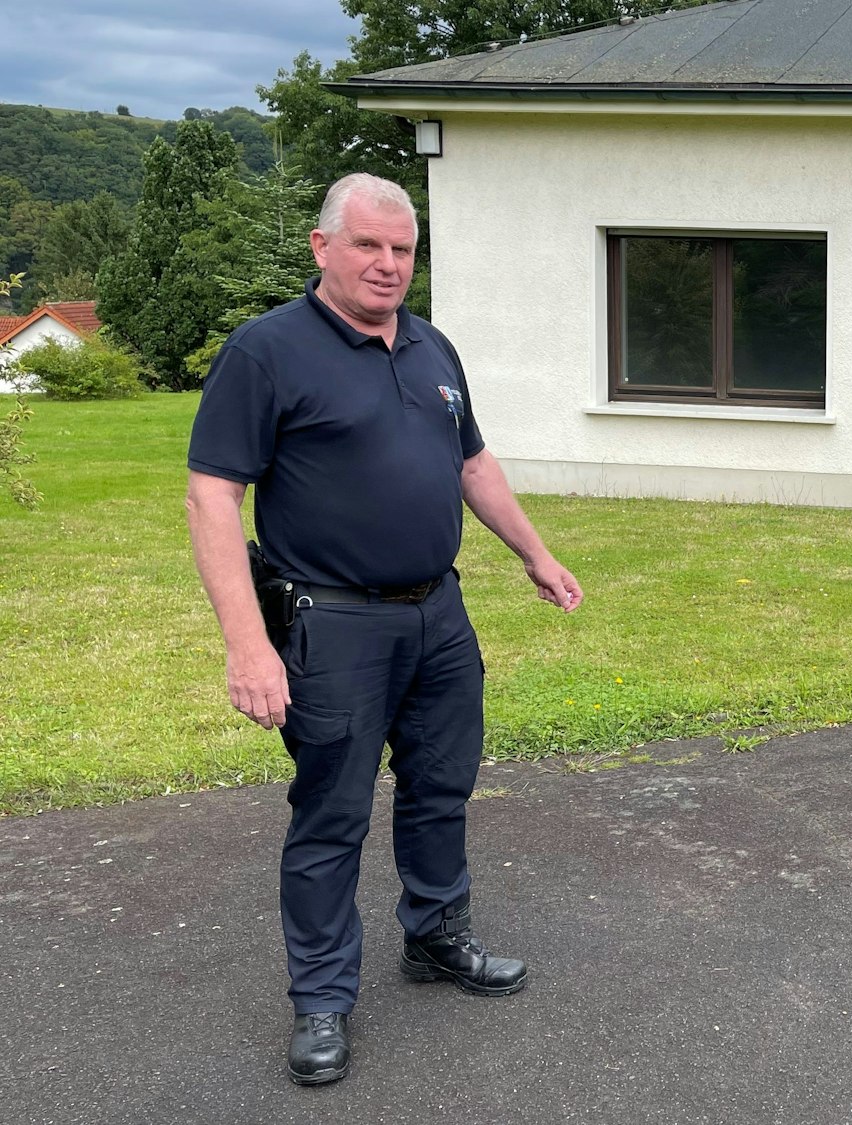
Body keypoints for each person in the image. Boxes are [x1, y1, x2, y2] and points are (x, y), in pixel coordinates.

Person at [185, 173, 583, 1087]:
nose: (388, 264)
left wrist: (535, 552)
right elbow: (214, 495)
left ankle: (436, 938)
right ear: (323, 248)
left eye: (402, 249)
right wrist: (248, 645)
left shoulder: (433, 347)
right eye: (368, 245)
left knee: (442, 786)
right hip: (333, 624)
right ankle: (322, 1000)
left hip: (436, 614)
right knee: (331, 814)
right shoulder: (267, 352)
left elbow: (471, 463)